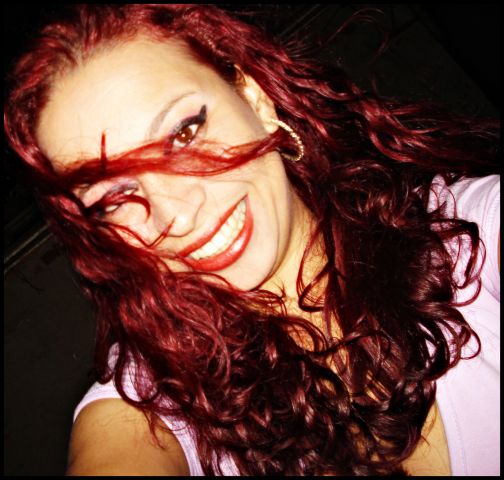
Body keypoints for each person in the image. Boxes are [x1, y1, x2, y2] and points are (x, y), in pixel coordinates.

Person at [4, 4, 499, 476]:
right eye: (115, 197)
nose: (178, 216)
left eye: (184, 134)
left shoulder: (471, 237)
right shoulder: (157, 391)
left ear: (254, 98)